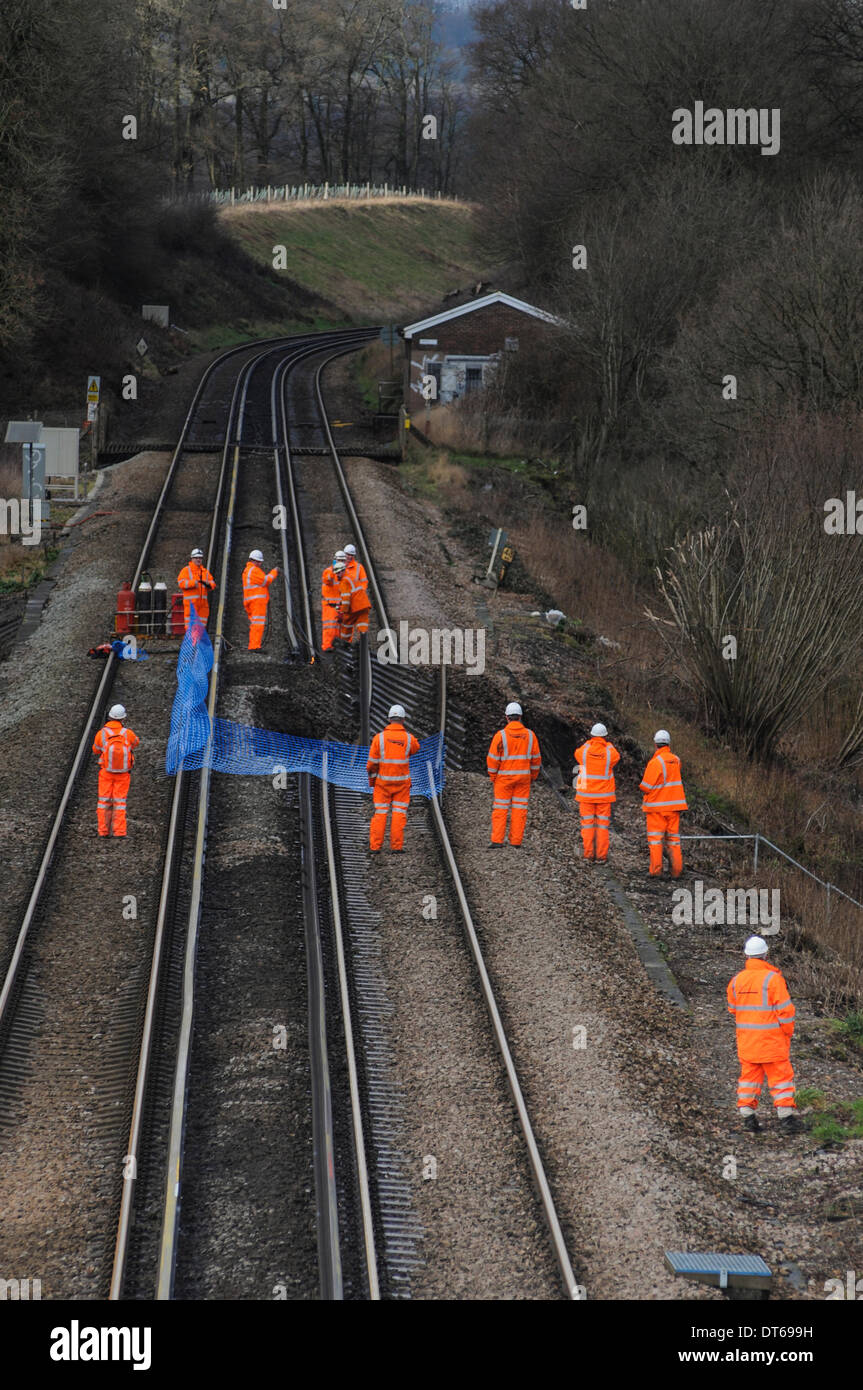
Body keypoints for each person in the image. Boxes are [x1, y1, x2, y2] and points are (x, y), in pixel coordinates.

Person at [727, 937, 802, 1134]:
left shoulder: (736, 981)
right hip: (772, 1042)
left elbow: (733, 1009)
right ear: (766, 954)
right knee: (781, 1079)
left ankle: (747, 1116)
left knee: (749, 1079)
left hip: (747, 1042)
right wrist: (787, 1033)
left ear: (746, 955)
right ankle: (786, 1120)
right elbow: (785, 1012)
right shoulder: (773, 979)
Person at [486, 702, 541, 847]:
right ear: (520, 717)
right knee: (519, 809)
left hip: (504, 780)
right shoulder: (530, 735)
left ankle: (497, 841)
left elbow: (492, 760)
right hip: (523, 779)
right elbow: (536, 760)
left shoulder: (501, 736)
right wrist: (533, 776)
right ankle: (516, 841)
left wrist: (493, 776)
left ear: (507, 717)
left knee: (500, 809)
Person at [367, 704, 420, 852]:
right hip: (402, 784)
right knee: (399, 813)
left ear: (389, 719)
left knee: (380, 814)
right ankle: (396, 847)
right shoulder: (409, 739)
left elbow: (371, 764)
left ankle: (375, 847)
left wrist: (373, 781)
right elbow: (416, 748)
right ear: (403, 720)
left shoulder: (379, 739)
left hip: (382, 784)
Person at [639, 729, 687, 877]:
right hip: (675, 807)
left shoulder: (655, 762)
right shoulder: (676, 760)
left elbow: (646, 786)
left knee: (656, 840)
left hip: (657, 808)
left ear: (655, 743)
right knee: (673, 840)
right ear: (668, 743)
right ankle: (676, 871)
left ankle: (656, 871)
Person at [573, 722, 620, 862]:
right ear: (605, 737)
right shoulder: (609, 752)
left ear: (592, 736)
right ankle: (601, 856)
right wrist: (608, 744)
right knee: (602, 827)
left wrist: (589, 743)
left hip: (586, 796)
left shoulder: (584, 751)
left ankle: (588, 854)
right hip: (604, 797)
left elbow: (577, 752)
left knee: (587, 826)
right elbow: (616, 756)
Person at [92, 703, 140, 838]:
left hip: (106, 773)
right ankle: (119, 832)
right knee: (119, 803)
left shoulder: (102, 734)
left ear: (109, 717)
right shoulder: (127, 733)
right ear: (123, 719)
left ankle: (103, 831)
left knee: (103, 802)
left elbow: (95, 749)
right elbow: (136, 743)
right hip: (123, 774)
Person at [242, 549, 278, 650]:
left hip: (250, 601)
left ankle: (254, 645)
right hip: (257, 602)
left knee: (255, 624)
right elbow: (266, 581)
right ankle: (254, 646)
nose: (260, 563)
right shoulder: (254, 570)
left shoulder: (247, 570)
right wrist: (274, 572)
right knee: (257, 625)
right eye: (259, 561)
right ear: (253, 560)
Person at [177, 547, 216, 629]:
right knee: (191, 629)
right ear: (192, 559)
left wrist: (208, 584)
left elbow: (213, 583)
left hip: (203, 606)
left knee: (201, 630)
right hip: (191, 605)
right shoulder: (186, 570)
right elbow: (181, 583)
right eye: (196, 558)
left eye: (200, 558)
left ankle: (198, 642)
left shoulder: (205, 572)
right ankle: (193, 642)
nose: (198, 560)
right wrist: (193, 583)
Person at [338, 558, 372, 644]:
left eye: (338, 572)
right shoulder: (351, 577)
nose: (337, 575)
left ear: (343, 571)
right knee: (363, 624)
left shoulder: (344, 581)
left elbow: (346, 600)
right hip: (364, 605)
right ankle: (364, 643)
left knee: (346, 624)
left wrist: (342, 612)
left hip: (355, 607)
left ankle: (344, 643)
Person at [321, 555, 343, 651]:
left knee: (339, 626)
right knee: (329, 626)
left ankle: (337, 645)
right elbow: (327, 580)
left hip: (339, 604)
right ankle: (327, 645)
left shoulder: (343, 572)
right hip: (330, 604)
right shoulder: (329, 571)